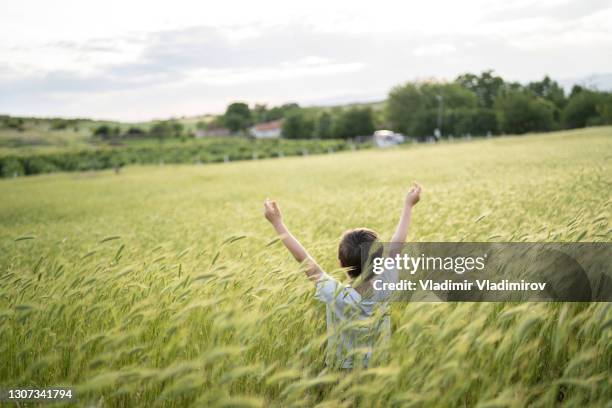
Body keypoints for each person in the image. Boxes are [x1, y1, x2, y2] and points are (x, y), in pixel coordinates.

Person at [263, 183, 422, 369]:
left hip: (342, 371)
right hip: (378, 368)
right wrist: (408, 205)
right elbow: (397, 245)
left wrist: (277, 223)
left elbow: (305, 261)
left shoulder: (335, 294)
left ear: (341, 263)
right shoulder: (386, 282)